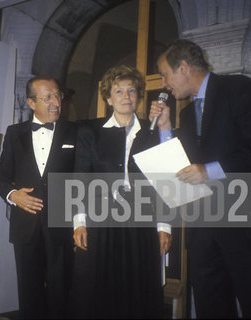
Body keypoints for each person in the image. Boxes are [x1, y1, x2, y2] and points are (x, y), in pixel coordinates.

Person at [149, 39, 251, 318]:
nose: (163, 83)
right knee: (211, 307)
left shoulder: (238, 89)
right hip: (201, 232)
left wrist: (208, 171)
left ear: (184, 67)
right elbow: (182, 166)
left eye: (165, 74)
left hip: (243, 225)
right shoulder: (186, 114)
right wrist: (164, 128)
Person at [71, 65, 171, 318]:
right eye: (118, 91)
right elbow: (81, 178)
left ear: (138, 95)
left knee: (139, 286)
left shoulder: (153, 132)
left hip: (142, 221)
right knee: (97, 286)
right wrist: (79, 223)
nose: (126, 97)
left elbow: (164, 182)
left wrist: (164, 226)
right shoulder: (89, 132)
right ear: (108, 98)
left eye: (131, 91)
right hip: (100, 220)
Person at [0, 76, 77, 319]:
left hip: (62, 224)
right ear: (31, 102)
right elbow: (1, 177)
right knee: (28, 292)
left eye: (58, 95)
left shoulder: (75, 132)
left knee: (62, 291)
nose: (56, 102)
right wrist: (13, 195)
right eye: (48, 97)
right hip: (25, 225)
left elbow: (82, 175)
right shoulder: (14, 133)